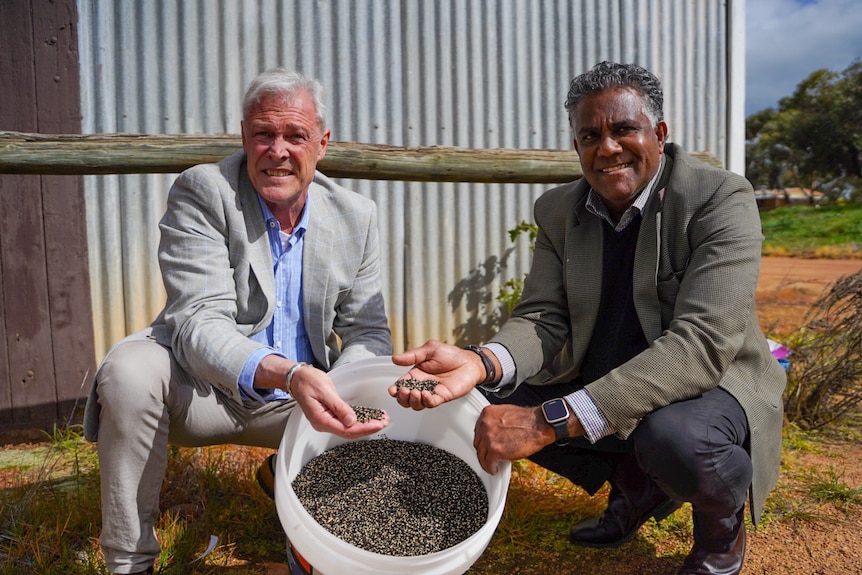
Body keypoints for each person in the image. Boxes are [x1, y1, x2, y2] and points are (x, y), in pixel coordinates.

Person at [390, 61, 786, 575]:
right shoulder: (560, 210)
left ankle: (719, 533)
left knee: (677, 440)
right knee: (470, 394)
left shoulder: (718, 198)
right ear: (576, 146)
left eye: (624, 129)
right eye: (590, 135)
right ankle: (634, 483)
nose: (607, 148)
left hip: (710, 384)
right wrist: (479, 362)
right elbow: (542, 315)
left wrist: (547, 421)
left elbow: (702, 344)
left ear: (659, 134)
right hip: (606, 374)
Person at [83, 68, 393, 575]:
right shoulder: (204, 191)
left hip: (298, 401)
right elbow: (198, 322)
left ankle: (313, 540)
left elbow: (367, 331)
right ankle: (129, 561)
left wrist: (339, 387)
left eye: (295, 136)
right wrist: (288, 373)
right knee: (130, 372)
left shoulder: (356, 215)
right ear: (245, 136)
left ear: (322, 143)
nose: (278, 151)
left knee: (382, 397)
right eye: (263, 134)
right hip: (203, 390)